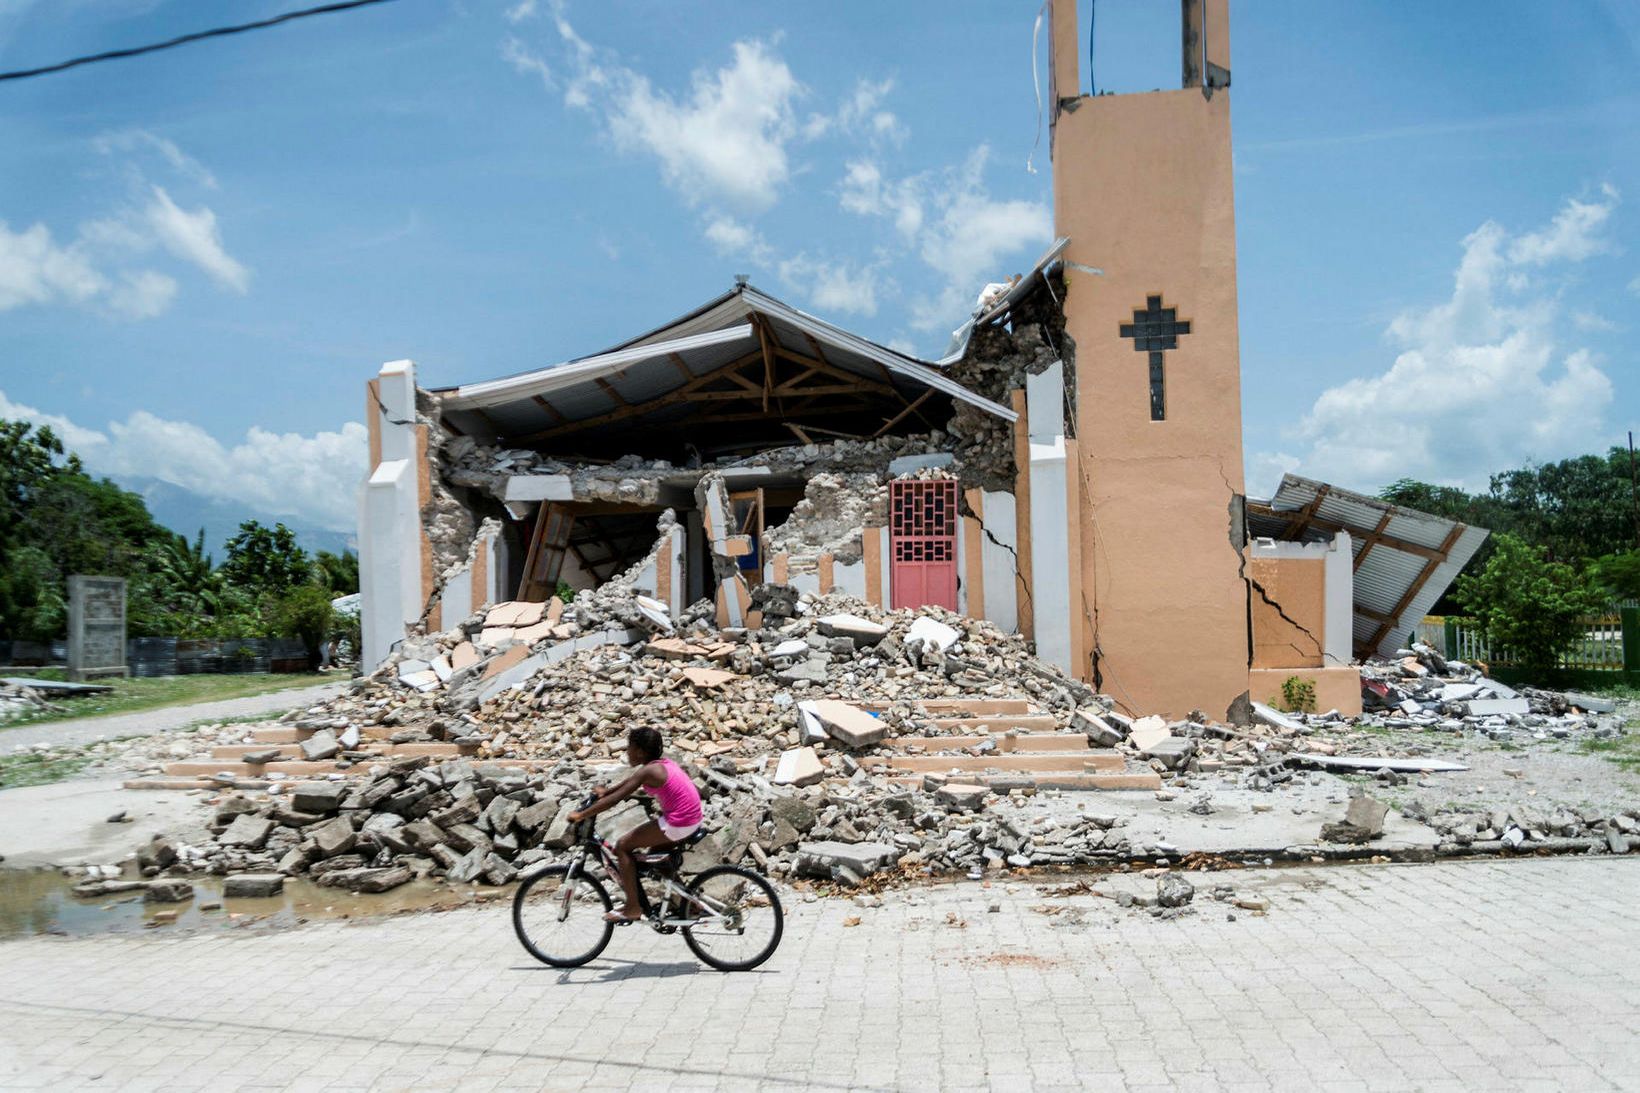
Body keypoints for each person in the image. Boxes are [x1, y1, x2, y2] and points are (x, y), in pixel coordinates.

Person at [565, 726, 703, 924]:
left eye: (629, 747)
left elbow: (617, 799)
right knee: (659, 862)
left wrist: (581, 814)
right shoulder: (659, 765)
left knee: (622, 846)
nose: (626, 751)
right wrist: (606, 791)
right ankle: (690, 903)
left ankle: (632, 907)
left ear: (639, 751)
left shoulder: (650, 770)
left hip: (679, 822)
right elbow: (629, 783)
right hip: (690, 819)